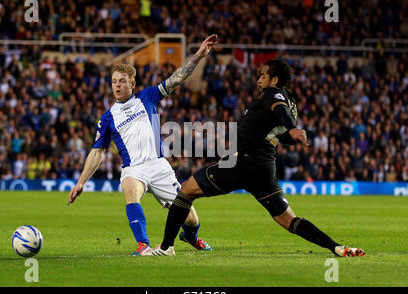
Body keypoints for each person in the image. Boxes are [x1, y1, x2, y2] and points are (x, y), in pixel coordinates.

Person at [145, 59, 365, 258]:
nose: (259, 80)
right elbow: (281, 134)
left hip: (243, 163)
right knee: (289, 220)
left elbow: (281, 112)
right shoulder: (289, 102)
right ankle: (336, 247)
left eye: (263, 75)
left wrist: (293, 128)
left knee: (186, 190)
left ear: (274, 80)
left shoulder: (274, 95)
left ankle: (166, 248)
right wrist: (291, 133)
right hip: (263, 168)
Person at [67, 34, 219, 256]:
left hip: (159, 166)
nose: (117, 86)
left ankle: (190, 236)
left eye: (122, 81)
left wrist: (197, 56)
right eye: (114, 82)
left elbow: (177, 78)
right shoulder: (108, 118)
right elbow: (97, 151)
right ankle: (143, 245)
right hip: (134, 168)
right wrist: (81, 182)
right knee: (130, 190)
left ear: (132, 84)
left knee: (191, 218)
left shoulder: (147, 97)